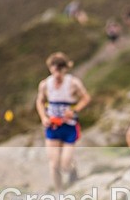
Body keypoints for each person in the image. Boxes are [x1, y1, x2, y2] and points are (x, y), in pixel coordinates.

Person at [35, 52, 91, 192]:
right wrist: (43, 117)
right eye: (54, 69)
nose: (57, 73)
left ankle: (72, 170)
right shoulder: (45, 85)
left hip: (69, 127)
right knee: (54, 164)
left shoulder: (73, 83)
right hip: (53, 127)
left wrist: (74, 110)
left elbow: (86, 98)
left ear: (65, 68)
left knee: (65, 163)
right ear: (50, 68)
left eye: (60, 69)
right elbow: (40, 102)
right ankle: (59, 192)